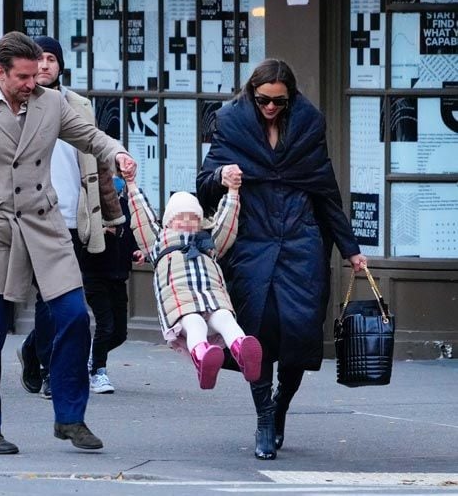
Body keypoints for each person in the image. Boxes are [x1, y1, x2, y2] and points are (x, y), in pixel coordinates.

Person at [0, 31, 136, 454]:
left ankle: (70, 418)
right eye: (23, 76)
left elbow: (90, 136)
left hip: (46, 227)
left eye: (35, 75)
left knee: (76, 319)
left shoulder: (51, 102)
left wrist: (117, 153)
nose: (33, 83)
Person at [196, 58, 367, 460]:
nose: (271, 108)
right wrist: (221, 178)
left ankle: (281, 405)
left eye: (279, 102)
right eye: (263, 100)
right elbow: (202, 188)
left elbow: (326, 193)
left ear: (291, 98)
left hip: (301, 246)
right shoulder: (232, 125)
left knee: (300, 335)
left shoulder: (308, 126)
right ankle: (264, 418)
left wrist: (351, 249)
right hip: (252, 245)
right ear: (250, 95)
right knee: (259, 333)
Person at [15, 36, 126, 400]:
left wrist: (112, 215)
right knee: (50, 298)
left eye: (51, 59)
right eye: (38, 59)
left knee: (63, 299)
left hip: (77, 217)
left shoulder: (77, 105)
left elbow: (95, 162)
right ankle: (50, 369)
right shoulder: (17, 104)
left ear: (60, 65)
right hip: (34, 217)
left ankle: (34, 351)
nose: (45, 65)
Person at [121, 164, 263, 390]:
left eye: (192, 218)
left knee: (225, 317)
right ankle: (203, 355)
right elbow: (141, 216)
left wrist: (233, 192)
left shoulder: (208, 242)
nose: (187, 222)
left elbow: (226, 225)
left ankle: (241, 347)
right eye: (180, 217)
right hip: (180, 299)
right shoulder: (158, 241)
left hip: (212, 294)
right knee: (194, 322)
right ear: (168, 222)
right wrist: (131, 184)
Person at [82, 175, 144, 394]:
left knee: (119, 333)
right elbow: (81, 235)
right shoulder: (90, 208)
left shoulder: (125, 206)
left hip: (119, 276)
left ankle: (91, 359)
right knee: (105, 325)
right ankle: (98, 372)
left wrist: (137, 251)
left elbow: (131, 235)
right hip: (95, 274)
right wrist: (100, 229)